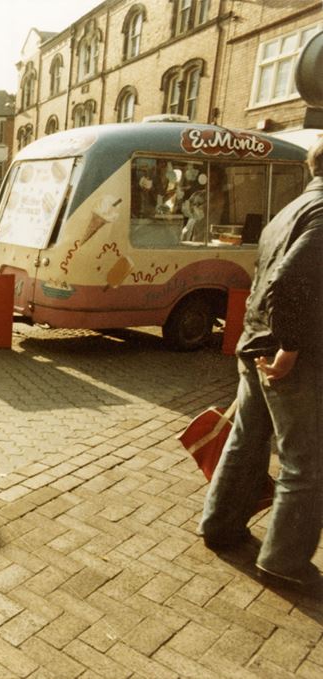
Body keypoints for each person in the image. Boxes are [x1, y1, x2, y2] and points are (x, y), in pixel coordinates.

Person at [198, 136, 323, 594]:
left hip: (255, 344)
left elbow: (268, 277)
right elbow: (289, 283)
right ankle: (285, 562)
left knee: (247, 441)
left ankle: (220, 526)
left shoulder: (291, 209)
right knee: (306, 463)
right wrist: (290, 348)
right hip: (289, 356)